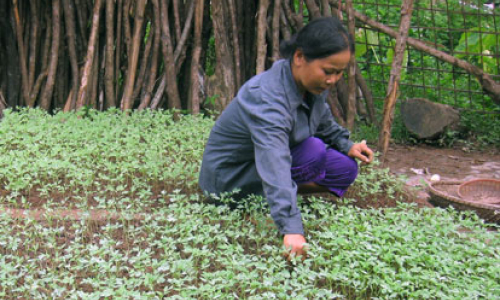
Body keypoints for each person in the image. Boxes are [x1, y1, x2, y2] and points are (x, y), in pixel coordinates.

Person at [199, 17, 374, 259]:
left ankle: (276, 194)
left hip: (266, 165)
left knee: (345, 169)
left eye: (339, 73)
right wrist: (291, 228)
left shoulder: (311, 86)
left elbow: (323, 121)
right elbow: (275, 160)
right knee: (313, 152)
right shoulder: (266, 97)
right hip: (229, 178)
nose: (333, 80)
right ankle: (259, 200)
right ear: (300, 57)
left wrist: (347, 145)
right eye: (328, 71)